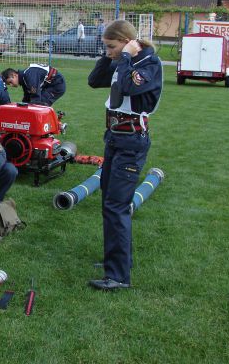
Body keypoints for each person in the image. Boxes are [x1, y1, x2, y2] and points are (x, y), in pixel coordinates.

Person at [87, 20, 162, 291]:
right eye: (105, 47)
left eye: (111, 45)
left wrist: (126, 56)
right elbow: (94, 81)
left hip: (131, 142)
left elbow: (130, 88)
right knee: (110, 201)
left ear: (127, 41)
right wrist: (112, 56)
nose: (108, 51)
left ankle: (118, 275)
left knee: (116, 205)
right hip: (116, 139)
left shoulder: (148, 65)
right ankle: (117, 261)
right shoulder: (123, 61)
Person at [2, 64, 66, 106]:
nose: (11, 85)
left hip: (57, 84)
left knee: (40, 104)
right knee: (34, 103)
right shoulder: (24, 78)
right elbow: (26, 98)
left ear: (14, 75)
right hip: (49, 84)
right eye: (9, 84)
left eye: (10, 82)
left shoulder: (29, 76)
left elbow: (36, 99)